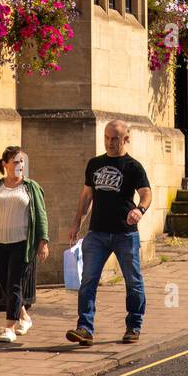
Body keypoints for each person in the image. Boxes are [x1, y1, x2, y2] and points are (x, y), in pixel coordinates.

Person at [65, 119, 152, 346]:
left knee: (133, 282)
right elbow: (86, 197)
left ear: (126, 139)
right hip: (97, 234)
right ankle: (84, 328)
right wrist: (77, 223)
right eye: (106, 137)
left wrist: (140, 210)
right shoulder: (94, 164)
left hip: (125, 234)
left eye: (115, 138)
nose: (110, 142)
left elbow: (146, 193)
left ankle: (134, 325)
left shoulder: (133, 167)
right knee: (88, 281)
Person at [0, 146, 49, 344]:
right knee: (4, 284)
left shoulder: (31, 187)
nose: (20, 165)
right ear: (5, 164)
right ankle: (24, 316)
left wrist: (43, 241)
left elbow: (41, 215)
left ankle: (9, 328)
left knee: (14, 283)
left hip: (22, 244)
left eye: (22, 161)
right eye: (15, 161)